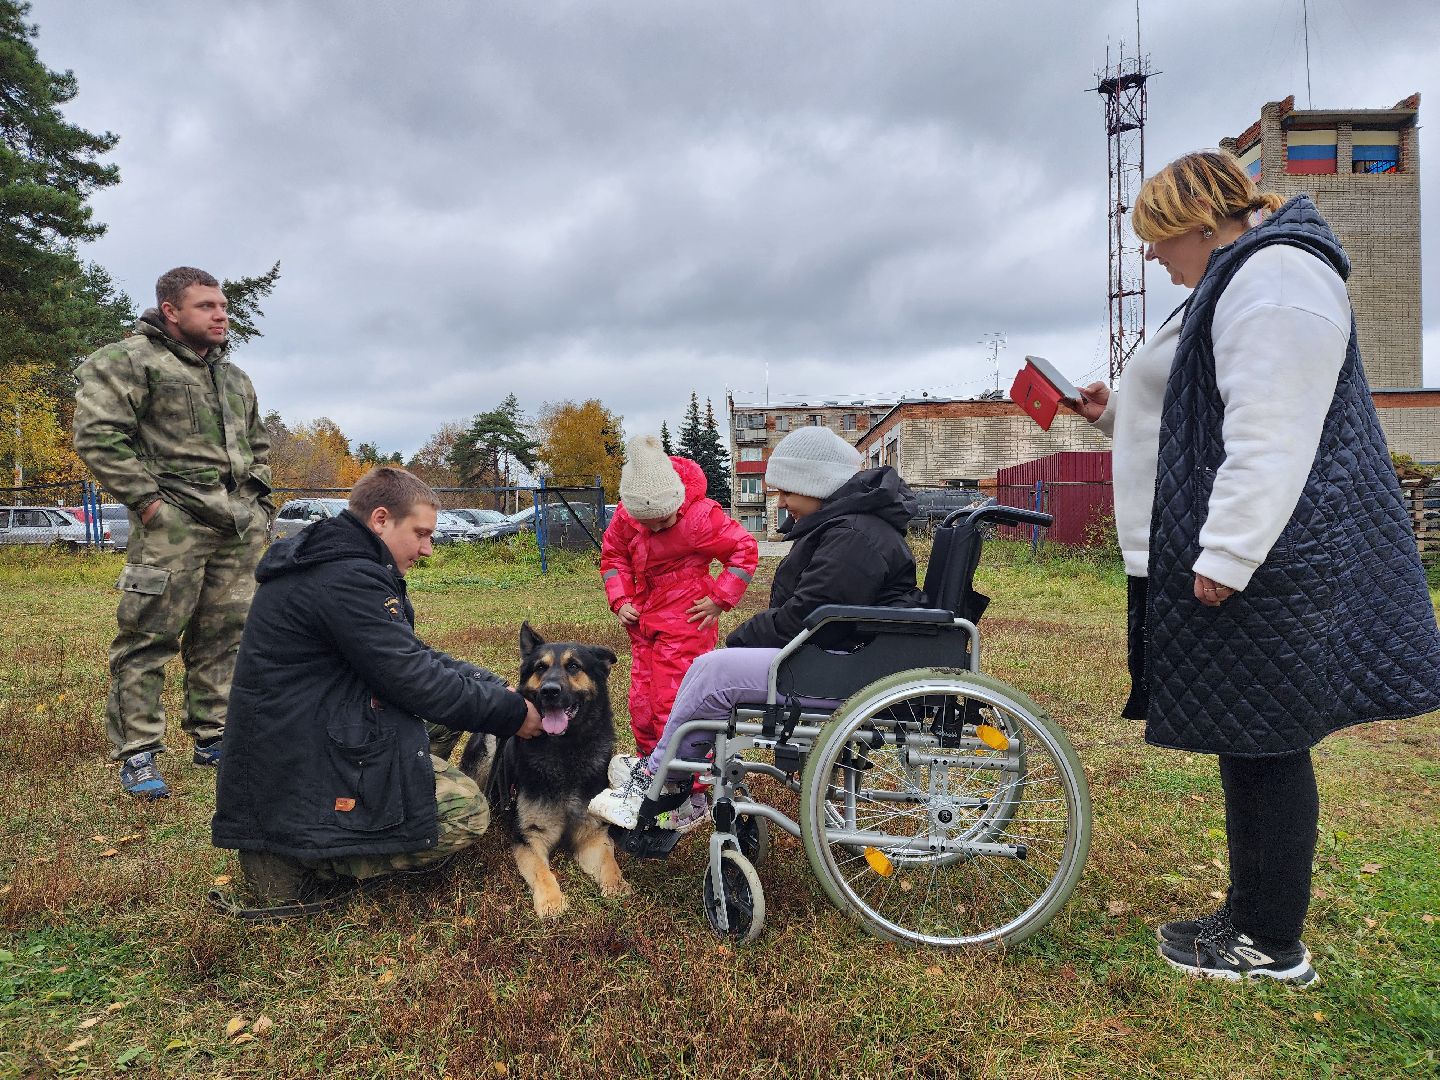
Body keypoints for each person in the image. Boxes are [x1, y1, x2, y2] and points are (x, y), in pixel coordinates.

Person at [1071, 150, 1440, 986]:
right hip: (1246, 550)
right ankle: (1250, 918)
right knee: (1249, 738)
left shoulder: (1276, 279)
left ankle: (1269, 941)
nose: (1156, 262)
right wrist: (1114, 416)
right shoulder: (1236, 275)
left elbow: (1270, 430)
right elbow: (1191, 413)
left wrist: (1230, 551)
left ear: (1200, 224)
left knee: (1266, 742)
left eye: (1159, 243)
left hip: (1266, 557)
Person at [211, 466, 544, 905]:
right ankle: (310, 859)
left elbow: (409, 655)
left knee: (448, 717)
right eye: (421, 533)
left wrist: (493, 687)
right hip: (302, 760)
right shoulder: (344, 577)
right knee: (465, 814)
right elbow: (416, 681)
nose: (427, 549)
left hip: (315, 730)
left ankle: (395, 807)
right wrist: (515, 714)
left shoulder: (347, 563)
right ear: (381, 519)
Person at [590, 426, 925, 830]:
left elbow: (807, 617)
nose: (781, 501)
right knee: (692, 675)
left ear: (814, 483)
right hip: (840, 656)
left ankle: (664, 781)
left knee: (710, 675)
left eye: (786, 490)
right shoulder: (855, 529)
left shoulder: (854, 537)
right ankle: (662, 766)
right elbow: (815, 611)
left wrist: (741, 637)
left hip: (835, 665)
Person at [73, 267, 274, 799]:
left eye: (223, 305)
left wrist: (260, 505)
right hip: (173, 524)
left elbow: (259, 446)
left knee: (225, 635)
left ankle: (215, 736)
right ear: (171, 311)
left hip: (237, 525)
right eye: (206, 306)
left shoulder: (233, 378)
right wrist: (149, 503)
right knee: (148, 637)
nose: (220, 314)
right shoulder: (128, 362)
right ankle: (138, 752)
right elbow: (97, 436)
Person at [599, 434, 758, 824]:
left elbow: (744, 549)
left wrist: (721, 597)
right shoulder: (626, 518)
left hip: (687, 623)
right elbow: (612, 556)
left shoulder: (700, 518)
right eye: (649, 524)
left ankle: (694, 791)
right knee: (643, 701)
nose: (659, 527)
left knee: (679, 704)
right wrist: (620, 600)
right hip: (645, 624)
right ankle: (655, 772)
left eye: (665, 520)